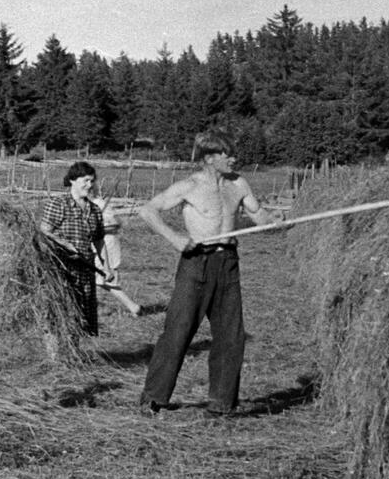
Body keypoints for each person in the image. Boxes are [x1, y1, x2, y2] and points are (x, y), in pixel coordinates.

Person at [138, 130, 282, 417]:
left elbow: (259, 216)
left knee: (231, 335)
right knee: (178, 331)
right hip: (196, 263)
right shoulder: (190, 185)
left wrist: (277, 221)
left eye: (233, 154)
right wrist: (175, 238)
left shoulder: (238, 183)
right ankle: (154, 398)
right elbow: (148, 210)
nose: (234, 159)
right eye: (227, 154)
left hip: (227, 263)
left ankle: (222, 404)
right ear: (210, 158)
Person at [38, 161, 114, 337]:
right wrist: (65, 245)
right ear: (72, 180)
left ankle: (74, 350)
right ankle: (57, 350)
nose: (90, 185)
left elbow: (99, 241)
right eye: (85, 180)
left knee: (81, 315)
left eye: (92, 181)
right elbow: (44, 232)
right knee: (61, 312)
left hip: (85, 269)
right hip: (61, 268)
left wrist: (107, 267)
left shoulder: (94, 210)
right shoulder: (58, 204)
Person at [88, 189, 143, 317]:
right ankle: (132, 306)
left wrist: (95, 228)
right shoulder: (86, 205)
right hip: (96, 245)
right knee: (99, 279)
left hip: (106, 244)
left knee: (103, 278)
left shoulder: (99, 204)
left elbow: (115, 224)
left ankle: (133, 307)